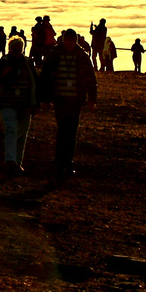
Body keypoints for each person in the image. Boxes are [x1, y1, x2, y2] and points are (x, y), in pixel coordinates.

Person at [39, 29, 97, 179]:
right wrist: (44, 98)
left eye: (72, 41)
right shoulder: (57, 55)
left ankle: (67, 162)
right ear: (64, 40)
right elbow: (44, 77)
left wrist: (92, 98)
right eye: (68, 40)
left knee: (70, 131)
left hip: (75, 101)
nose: (70, 43)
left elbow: (91, 78)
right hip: (60, 100)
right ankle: (61, 162)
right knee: (63, 130)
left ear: (75, 41)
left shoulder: (80, 56)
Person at [0, 36, 38, 176]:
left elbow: (34, 83)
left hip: (23, 104)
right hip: (9, 103)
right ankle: (12, 161)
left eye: (19, 50)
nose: (17, 52)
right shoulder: (8, 63)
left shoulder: (26, 63)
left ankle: (16, 162)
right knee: (13, 129)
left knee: (20, 132)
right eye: (15, 50)